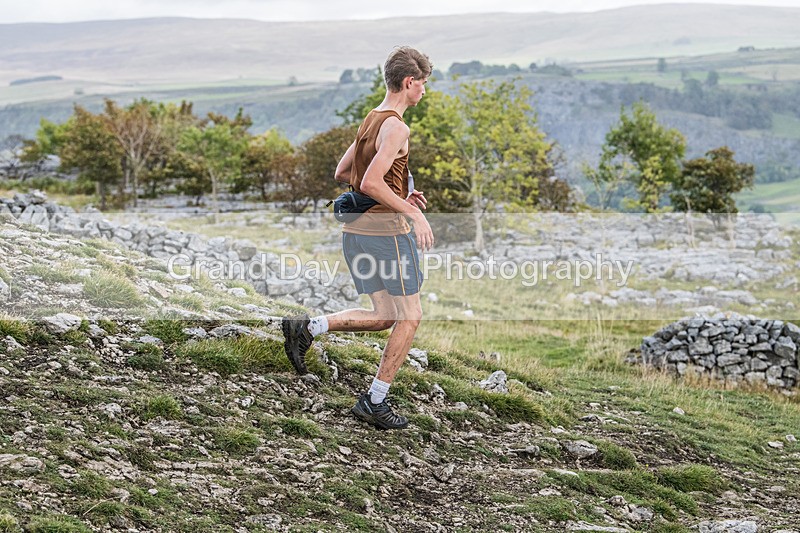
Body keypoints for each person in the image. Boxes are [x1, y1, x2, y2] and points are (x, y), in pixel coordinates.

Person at [282, 46, 434, 430]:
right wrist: (411, 211)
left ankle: (309, 327)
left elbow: (342, 172)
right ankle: (374, 401)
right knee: (410, 316)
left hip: (356, 233)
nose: (425, 92)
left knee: (385, 315)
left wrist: (400, 195)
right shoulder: (398, 126)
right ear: (408, 82)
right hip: (387, 235)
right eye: (424, 84)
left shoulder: (371, 119)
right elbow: (368, 180)